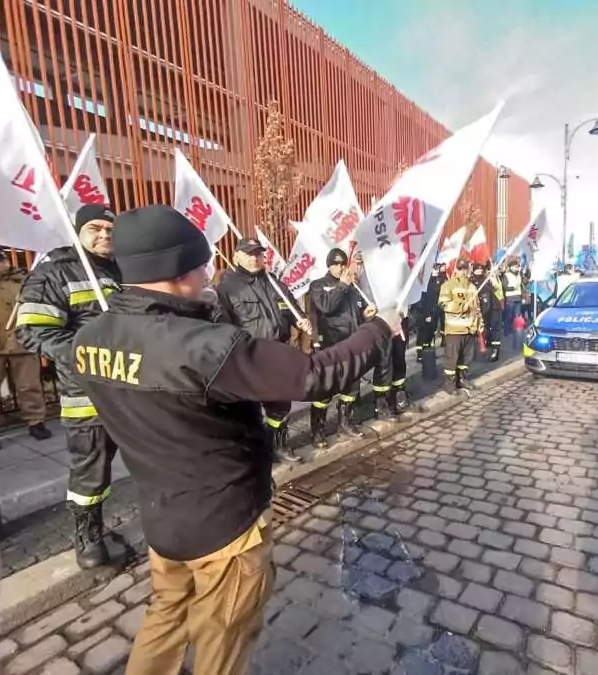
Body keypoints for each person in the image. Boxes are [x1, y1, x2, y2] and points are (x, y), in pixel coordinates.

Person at [72, 206, 397, 675]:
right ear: (175, 270)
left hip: (162, 518)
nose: (209, 271)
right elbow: (316, 375)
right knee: (223, 638)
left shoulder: (92, 336)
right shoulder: (203, 345)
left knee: (165, 619)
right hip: (224, 525)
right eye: (200, 263)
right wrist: (380, 329)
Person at [15, 204, 122, 569]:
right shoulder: (55, 272)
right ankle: (88, 535)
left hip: (135, 388)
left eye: (110, 228)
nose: (105, 235)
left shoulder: (126, 269)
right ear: (77, 231)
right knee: (90, 468)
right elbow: (33, 330)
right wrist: (83, 355)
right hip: (88, 392)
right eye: (95, 228)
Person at [216, 237, 312, 464]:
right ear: (236, 256)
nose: (254, 258)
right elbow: (223, 325)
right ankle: (253, 455)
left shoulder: (273, 281)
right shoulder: (227, 287)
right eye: (249, 253)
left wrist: (301, 321)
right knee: (248, 410)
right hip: (248, 357)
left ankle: (279, 445)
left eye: (258, 254)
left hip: (277, 352)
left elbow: (290, 309)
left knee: (280, 403)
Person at [307, 248, 375, 448]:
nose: (340, 268)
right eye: (335, 264)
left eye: (343, 264)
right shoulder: (319, 285)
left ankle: (345, 424)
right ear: (328, 265)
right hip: (331, 345)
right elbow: (327, 307)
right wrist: (343, 286)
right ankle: (317, 432)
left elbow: (358, 314)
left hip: (352, 344)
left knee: (351, 388)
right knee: (324, 391)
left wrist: (367, 315)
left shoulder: (353, 288)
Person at [0, 245, 51, 451]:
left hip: (21, 338)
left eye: (4, 259)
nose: (4, 263)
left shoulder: (22, 279)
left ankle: (36, 422)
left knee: (28, 385)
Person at [439, 260, 481, 393]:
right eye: (461, 268)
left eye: (465, 268)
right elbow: (443, 304)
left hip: (469, 329)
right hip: (454, 329)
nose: (463, 271)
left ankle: (461, 379)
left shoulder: (472, 287)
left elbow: (477, 308)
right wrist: (460, 307)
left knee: (466, 358)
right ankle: (449, 385)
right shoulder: (448, 285)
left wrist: (480, 323)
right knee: (452, 359)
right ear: (456, 269)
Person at [414, 265, 445, 363]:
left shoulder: (435, 282)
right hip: (424, 314)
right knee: (423, 335)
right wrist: (426, 315)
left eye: (436, 269)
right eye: (434, 269)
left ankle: (427, 353)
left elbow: (436, 298)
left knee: (430, 334)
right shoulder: (423, 283)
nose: (436, 271)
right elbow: (421, 302)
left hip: (433, 313)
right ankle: (420, 355)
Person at [472, 263, 503, 362]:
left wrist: (493, 277)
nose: (480, 271)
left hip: (493, 307)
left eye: (481, 269)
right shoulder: (472, 282)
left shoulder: (487, 280)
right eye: (477, 269)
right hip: (482, 308)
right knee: (484, 329)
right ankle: (483, 349)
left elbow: (492, 292)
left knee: (495, 329)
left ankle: (495, 351)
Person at [501, 258, 523, 334]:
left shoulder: (519, 275)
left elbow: (523, 284)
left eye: (516, 266)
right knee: (509, 316)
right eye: (514, 266)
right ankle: (506, 331)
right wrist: (513, 288)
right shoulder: (507, 275)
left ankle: (516, 330)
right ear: (510, 267)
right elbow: (505, 286)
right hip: (510, 298)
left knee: (517, 316)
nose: (516, 268)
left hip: (518, 298)